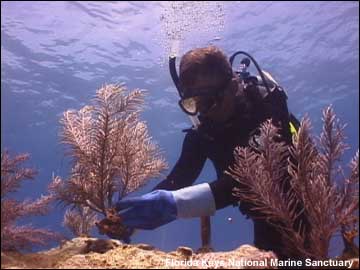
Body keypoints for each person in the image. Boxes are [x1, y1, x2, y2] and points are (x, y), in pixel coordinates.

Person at [115, 46, 304, 259]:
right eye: (193, 103)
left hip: (300, 205)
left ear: (232, 87)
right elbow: (179, 179)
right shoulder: (205, 130)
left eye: (208, 100)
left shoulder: (265, 112)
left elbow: (248, 181)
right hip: (262, 214)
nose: (204, 111)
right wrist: (134, 216)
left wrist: (175, 204)